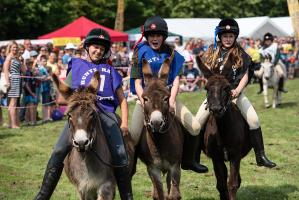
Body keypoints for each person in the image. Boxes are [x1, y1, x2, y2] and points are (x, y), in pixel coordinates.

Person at [34, 28, 133, 200]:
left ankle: (127, 196)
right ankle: (43, 195)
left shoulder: (110, 71)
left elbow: (122, 100)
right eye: (95, 46)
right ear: (87, 47)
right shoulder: (77, 66)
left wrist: (124, 123)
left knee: (121, 154)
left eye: (102, 48)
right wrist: (78, 100)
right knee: (58, 151)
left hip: (105, 114)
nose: (98, 50)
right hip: (80, 113)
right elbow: (62, 98)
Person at [130, 16, 208, 173]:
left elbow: (177, 80)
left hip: (167, 99)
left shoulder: (171, 53)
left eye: (158, 35)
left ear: (163, 37)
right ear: (147, 36)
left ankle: (189, 160)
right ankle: (131, 167)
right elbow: (138, 83)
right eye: (152, 35)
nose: (155, 38)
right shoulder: (139, 53)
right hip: (144, 100)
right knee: (133, 135)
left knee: (194, 127)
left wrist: (171, 101)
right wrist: (143, 100)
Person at [198, 18, 276, 168]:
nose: (228, 39)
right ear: (220, 37)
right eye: (225, 36)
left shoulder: (241, 54)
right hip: (215, 97)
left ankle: (260, 155)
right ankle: (194, 156)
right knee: (197, 123)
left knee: (254, 120)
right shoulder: (211, 52)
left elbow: (246, 75)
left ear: (235, 37)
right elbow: (205, 73)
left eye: (231, 36)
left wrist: (238, 90)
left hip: (234, 94)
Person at [3, 41, 24, 129]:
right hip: (12, 81)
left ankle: (14, 123)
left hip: (17, 80)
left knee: (15, 103)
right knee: (12, 104)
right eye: (13, 47)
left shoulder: (17, 57)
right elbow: (6, 70)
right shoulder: (9, 57)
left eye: (16, 47)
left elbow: (23, 70)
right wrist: (8, 82)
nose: (15, 49)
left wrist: (21, 60)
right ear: (10, 48)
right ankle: (13, 124)